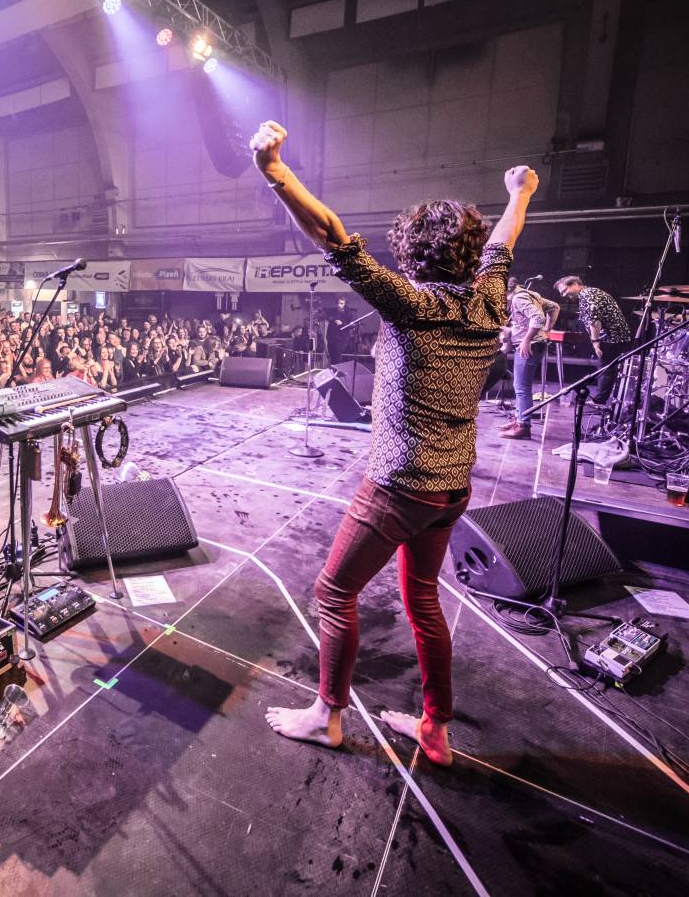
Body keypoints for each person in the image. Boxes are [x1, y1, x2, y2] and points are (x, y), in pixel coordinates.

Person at [253, 119, 535, 767]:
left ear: (411, 252)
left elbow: (335, 237)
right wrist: (519, 194)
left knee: (333, 594)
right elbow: (503, 245)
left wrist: (275, 171)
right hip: (452, 486)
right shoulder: (491, 300)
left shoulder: (410, 303)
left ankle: (326, 714)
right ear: (465, 254)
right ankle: (435, 728)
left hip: (401, 483)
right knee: (424, 600)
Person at [555, 276, 632, 405]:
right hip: (616, 336)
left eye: (564, 291)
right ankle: (604, 399)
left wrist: (595, 342)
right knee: (607, 368)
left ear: (575, 284)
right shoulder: (592, 292)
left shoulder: (587, 295)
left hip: (612, 338)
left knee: (606, 369)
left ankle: (600, 401)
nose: (563, 295)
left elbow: (594, 322)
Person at [499, 277, 559, 440]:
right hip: (533, 343)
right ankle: (519, 420)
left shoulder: (518, 298)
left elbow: (538, 318)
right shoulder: (530, 294)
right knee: (520, 386)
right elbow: (554, 307)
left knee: (521, 387)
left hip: (529, 346)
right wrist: (548, 329)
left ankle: (523, 425)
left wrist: (526, 339)